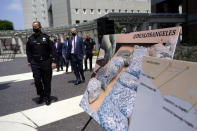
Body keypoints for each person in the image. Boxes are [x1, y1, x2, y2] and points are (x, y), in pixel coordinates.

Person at [26, 21, 56, 105]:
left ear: (40, 27)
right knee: (37, 81)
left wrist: (53, 61)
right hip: (35, 63)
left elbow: (53, 50)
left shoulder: (46, 37)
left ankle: (47, 97)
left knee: (46, 81)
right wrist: (29, 60)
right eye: (33, 27)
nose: (34, 28)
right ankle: (41, 95)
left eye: (36, 27)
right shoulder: (30, 38)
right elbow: (28, 51)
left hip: (46, 62)